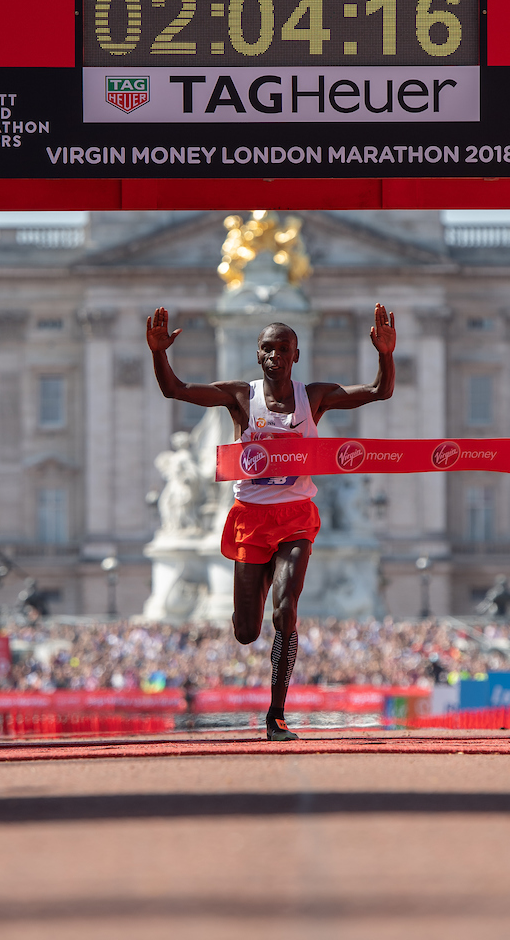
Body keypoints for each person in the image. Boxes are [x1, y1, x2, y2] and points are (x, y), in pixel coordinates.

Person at [147, 303, 396, 740]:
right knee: (246, 631)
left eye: (283, 349)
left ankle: (276, 714)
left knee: (286, 611)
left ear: (296, 355)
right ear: (257, 355)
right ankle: (254, 605)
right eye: (267, 349)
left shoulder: (312, 397)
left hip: (297, 515)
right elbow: (176, 391)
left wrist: (385, 354)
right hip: (251, 518)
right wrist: (157, 353)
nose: (274, 356)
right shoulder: (242, 396)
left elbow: (379, 391)